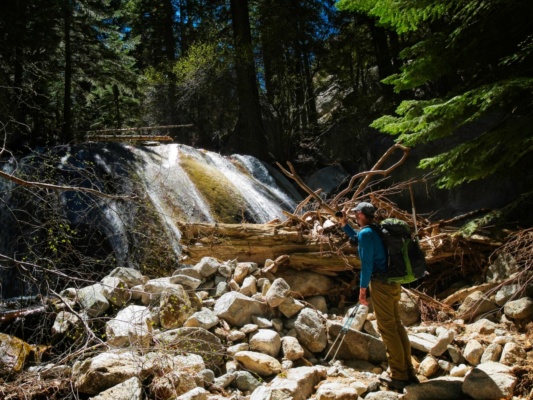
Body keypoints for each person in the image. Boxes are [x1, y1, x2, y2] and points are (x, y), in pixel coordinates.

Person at [338, 202, 418, 392]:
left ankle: (399, 376)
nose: (355, 216)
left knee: (387, 328)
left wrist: (362, 289)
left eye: (356, 213)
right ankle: (408, 371)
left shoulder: (367, 233)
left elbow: (366, 264)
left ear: (361, 215)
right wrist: (344, 225)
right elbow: (357, 238)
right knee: (396, 325)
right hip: (393, 282)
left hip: (380, 284)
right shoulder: (375, 229)